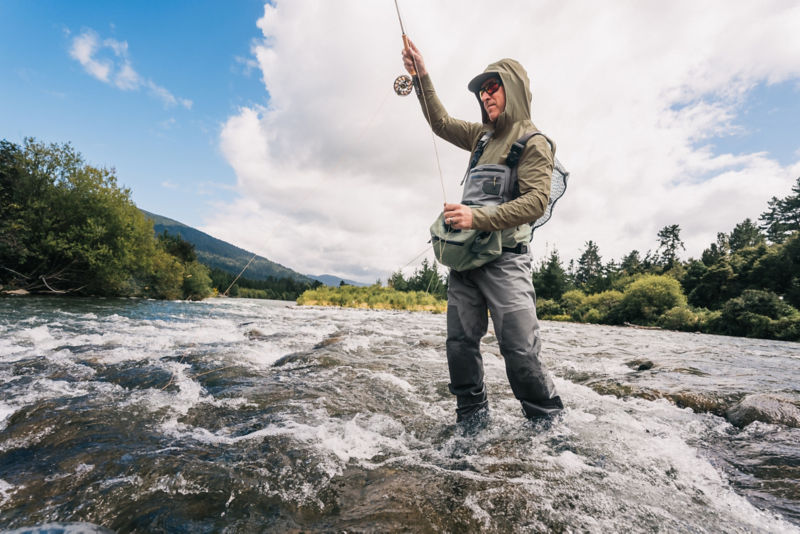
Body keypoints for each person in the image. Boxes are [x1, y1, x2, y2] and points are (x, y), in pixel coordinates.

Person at [402, 41, 563, 422]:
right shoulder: (480, 137)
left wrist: (476, 218)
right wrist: (421, 76)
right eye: (481, 90)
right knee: (459, 344)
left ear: (514, 89)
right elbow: (440, 122)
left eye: (493, 86)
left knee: (520, 351)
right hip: (466, 263)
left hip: (507, 263)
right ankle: (471, 419)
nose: (485, 94)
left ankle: (548, 424)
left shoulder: (534, 143)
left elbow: (536, 202)